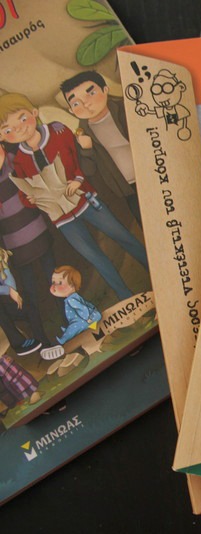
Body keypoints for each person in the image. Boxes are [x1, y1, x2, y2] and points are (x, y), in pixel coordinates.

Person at [0, 93, 148, 301]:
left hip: (85, 200)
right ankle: (127, 297)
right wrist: (31, 200)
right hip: (62, 219)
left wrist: (78, 179)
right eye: (8, 130)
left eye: (22, 119)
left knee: (124, 237)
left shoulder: (57, 131)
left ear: (34, 113)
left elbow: (78, 159)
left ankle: (156, 272)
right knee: (95, 257)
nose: (19, 129)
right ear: (2, 137)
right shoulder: (19, 160)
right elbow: (26, 193)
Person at [0, 143, 62, 358]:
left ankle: (70, 324)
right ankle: (42, 340)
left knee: (55, 279)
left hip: (38, 232)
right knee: (29, 294)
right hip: (15, 246)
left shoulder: (15, 160)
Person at [60, 71, 141, 224]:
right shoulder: (81, 134)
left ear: (105, 90)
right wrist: (87, 149)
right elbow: (88, 170)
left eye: (91, 93)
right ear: (71, 110)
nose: (86, 104)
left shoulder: (127, 108)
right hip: (127, 188)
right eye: (76, 103)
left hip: (154, 172)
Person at [50, 266, 101, 345]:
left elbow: (82, 308)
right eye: (53, 282)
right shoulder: (74, 296)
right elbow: (86, 304)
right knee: (74, 326)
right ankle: (69, 330)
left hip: (84, 320)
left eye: (60, 283)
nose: (54, 286)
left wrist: (88, 319)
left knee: (75, 326)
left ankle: (64, 339)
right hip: (87, 317)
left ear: (72, 285)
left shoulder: (71, 300)